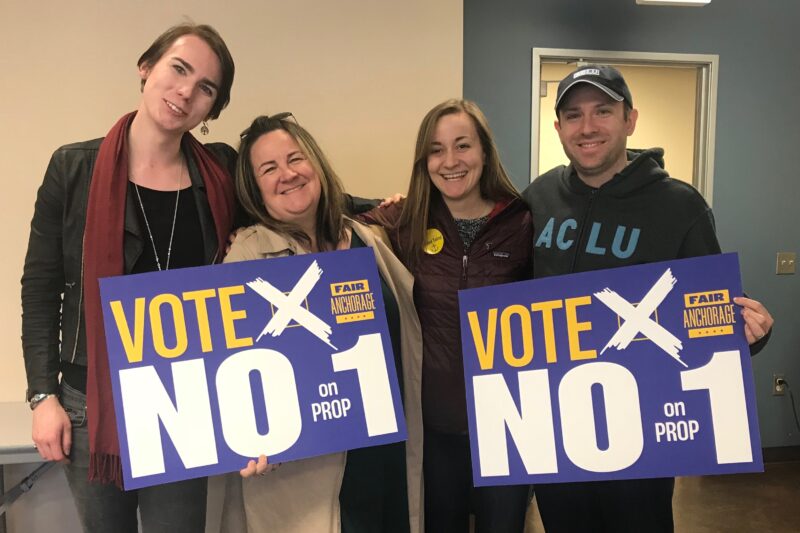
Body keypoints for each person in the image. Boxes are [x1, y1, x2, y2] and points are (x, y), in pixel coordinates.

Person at [522, 64, 775, 533]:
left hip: (642, 436)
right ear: (558, 128)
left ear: (630, 120)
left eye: (603, 111)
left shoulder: (679, 205)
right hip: (557, 430)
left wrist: (750, 332)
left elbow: (714, 311)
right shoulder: (537, 198)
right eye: (573, 115)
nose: (588, 126)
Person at [21, 23, 237, 532]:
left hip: (185, 398)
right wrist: (41, 395)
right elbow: (40, 287)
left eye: (206, 87)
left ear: (212, 108)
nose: (186, 91)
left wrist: (381, 210)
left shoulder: (222, 173)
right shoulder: (74, 167)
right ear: (147, 68)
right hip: (89, 399)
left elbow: (294, 196)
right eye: (178, 69)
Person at [220, 113, 424, 533]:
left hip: (388, 458)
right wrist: (246, 436)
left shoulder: (368, 239)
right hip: (310, 478)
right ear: (254, 188)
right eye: (269, 168)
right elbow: (228, 371)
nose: (288, 174)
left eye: (295, 158)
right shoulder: (246, 255)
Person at [361, 99, 533, 532]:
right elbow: (327, 222)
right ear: (424, 161)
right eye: (436, 150)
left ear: (484, 152)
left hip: (508, 427)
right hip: (432, 428)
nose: (451, 161)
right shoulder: (404, 221)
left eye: (462, 146)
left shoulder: (524, 220)